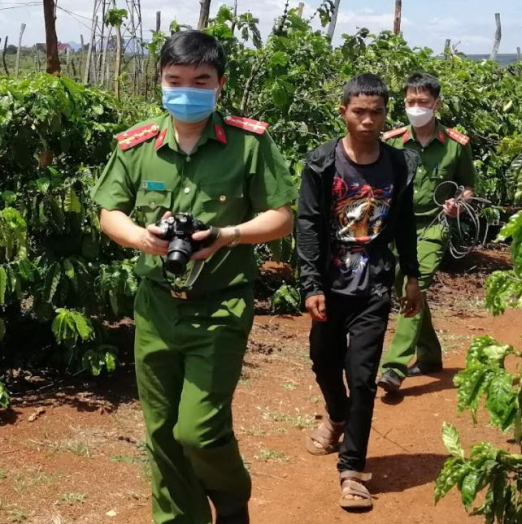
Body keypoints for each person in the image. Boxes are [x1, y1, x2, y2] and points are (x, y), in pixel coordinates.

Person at [92, 31, 296, 524]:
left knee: (198, 430)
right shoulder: (136, 144)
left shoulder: (250, 144)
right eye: (174, 79)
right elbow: (108, 211)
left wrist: (227, 234)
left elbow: (282, 216)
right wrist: (144, 239)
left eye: (200, 80)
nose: (186, 89)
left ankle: (230, 501)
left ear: (219, 85)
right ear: (159, 81)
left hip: (221, 305)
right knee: (160, 430)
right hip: (157, 304)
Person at [297, 73, 422, 510]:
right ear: (344, 112)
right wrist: (310, 283)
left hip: (373, 285)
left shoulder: (401, 164)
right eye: (360, 111)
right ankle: (335, 414)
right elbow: (309, 225)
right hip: (329, 287)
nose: (369, 120)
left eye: (377, 112)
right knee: (323, 361)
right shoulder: (321, 162)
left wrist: (412, 274)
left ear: (387, 115)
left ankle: (352, 470)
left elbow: (404, 222)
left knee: (363, 377)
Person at [376, 72, 477, 393]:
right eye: (410, 102)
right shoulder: (391, 141)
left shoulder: (456, 146)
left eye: (423, 102)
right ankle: (430, 356)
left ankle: (394, 366)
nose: (416, 107)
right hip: (395, 227)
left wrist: (458, 204)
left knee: (411, 285)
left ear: (437, 104)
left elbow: (468, 187)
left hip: (434, 226)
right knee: (402, 285)